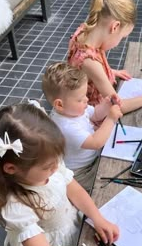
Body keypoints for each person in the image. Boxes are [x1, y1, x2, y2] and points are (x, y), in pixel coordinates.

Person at [0, 103, 127, 246]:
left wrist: (97, 217)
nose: (55, 168)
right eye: (48, 167)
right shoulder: (16, 206)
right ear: (11, 169)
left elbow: (73, 187)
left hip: (68, 228)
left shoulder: (48, 162)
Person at [67, 0, 142, 113]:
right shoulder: (90, 62)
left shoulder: (83, 32)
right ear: (115, 27)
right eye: (122, 37)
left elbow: (81, 71)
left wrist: (110, 71)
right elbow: (117, 106)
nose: (119, 43)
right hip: (92, 116)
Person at [42, 62, 123, 193]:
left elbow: (95, 114)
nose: (86, 100)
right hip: (80, 172)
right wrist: (111, 118)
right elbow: (96, 142)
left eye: (85, 95)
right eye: (80, 99)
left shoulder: (74, 110)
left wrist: (107, 105)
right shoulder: (65, 126)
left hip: (92, 159)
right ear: (59, 105)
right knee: (108, 184)